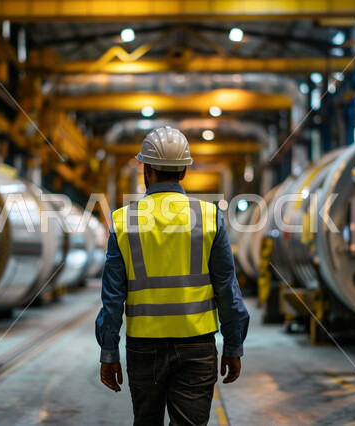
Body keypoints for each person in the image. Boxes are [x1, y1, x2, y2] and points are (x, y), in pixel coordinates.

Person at [95, 126, 250, 425]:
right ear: (183, 172)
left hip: (143, 346)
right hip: (198, 345)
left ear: (146, 169)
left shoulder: (123, 220)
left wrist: (109, 350)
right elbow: (227, 288)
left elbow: (112, 297)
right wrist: (233, 344)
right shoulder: (208, 217)